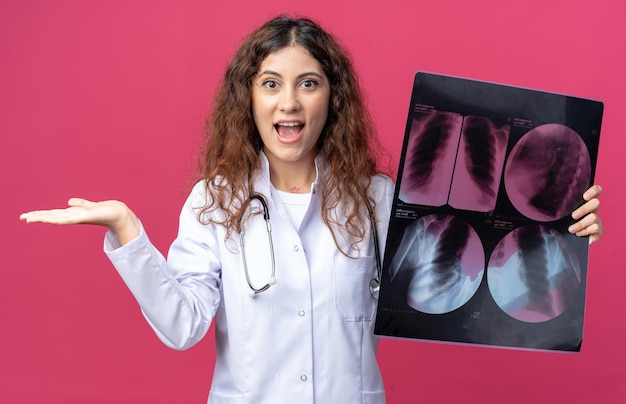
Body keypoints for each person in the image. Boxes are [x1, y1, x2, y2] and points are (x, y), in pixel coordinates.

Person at [19, 15, 604, 404]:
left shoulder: (379, 199)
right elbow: (182, 327)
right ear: (248, 98)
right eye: (270, 83)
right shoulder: (214, 201)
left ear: (333, 96)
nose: (289, 102)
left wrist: (554, 229)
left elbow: (463, 283)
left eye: (309, 83)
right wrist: (126, 230)